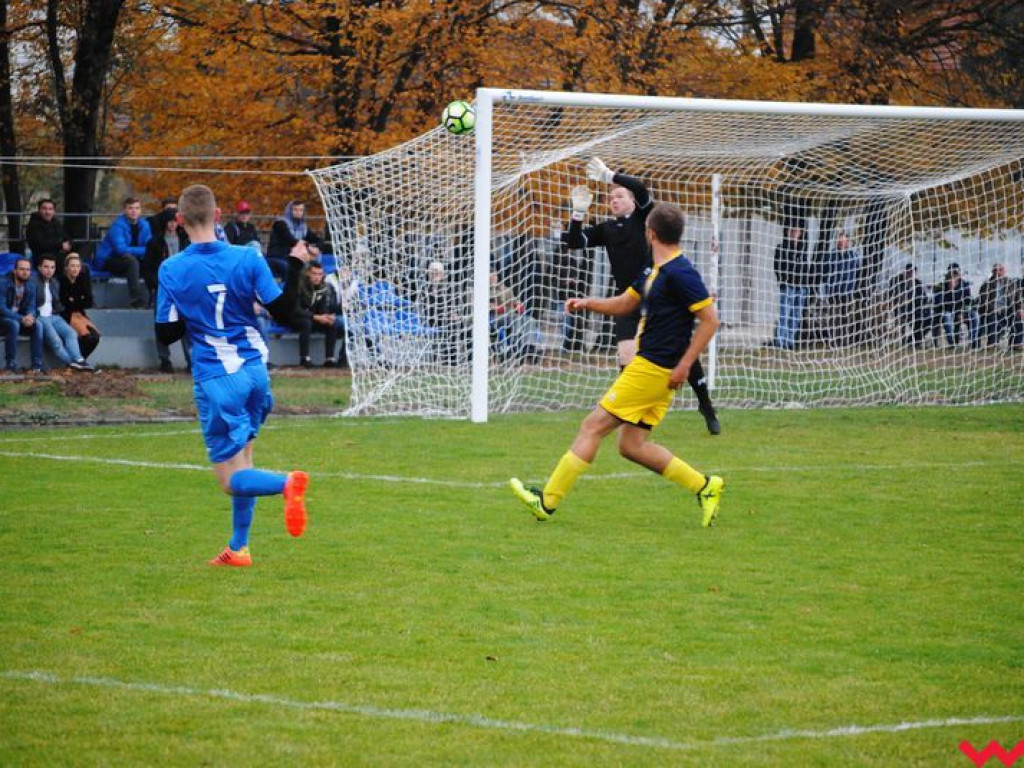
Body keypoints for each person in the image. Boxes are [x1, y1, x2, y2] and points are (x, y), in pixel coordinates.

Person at [509, 203, 725, 527]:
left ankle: (547, 501)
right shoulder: (654, 270)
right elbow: (625, 303)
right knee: (631, 446)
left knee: (592, 426)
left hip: (652, 369)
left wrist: (685, 365)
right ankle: (704, 486)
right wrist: (588, 303)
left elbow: (710, 320)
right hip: (652, 369)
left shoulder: (681, 272)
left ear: (650, 233)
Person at [155, 184, 312, 567]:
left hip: (217, 379)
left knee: (230, 480)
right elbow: (287, 314)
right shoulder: (247, 256)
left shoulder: (172, 268)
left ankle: (287, 484)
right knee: (245, 462)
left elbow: (166, 334)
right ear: (219, 215)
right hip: (256, 372)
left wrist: (192, 311)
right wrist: (294, 266)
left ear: (179, 221)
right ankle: (238, 548)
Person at [565, 157, 721, 434]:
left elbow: (639, 187)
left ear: (633, 201)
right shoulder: (607, 229)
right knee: (626, 355)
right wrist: (577, 214)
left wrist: (609, 175)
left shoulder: (644, 220)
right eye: (611, 198)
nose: (614, 200)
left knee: (681, 351)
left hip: (657, 298)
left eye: (620, 196)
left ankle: (706, 406)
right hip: (627, 300)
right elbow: (574, 242)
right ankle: (628, 414)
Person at [144, 209, 191, 372]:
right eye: (169, 221)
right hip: (163, 288)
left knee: (187, 324)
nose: (172, 225)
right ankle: (165, 360)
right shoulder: (155, 242)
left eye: (174, 221)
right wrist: (155, 285)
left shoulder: (185, 241)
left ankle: (191, 360)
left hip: (183, 288)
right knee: (163, 324)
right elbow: (148, 268)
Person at [32, 255, 95, 371]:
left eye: (52, 267)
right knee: (56, 341)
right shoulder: (33, 282)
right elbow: (29, 303)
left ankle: (79, 360)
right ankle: (73, 363)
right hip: (40, 317)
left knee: (71, 333)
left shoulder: (54, 282)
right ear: (39, 268)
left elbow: (60, 304)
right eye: (46, 267)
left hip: (54, 316)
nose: (49, 270)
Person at [94, 196, 151, 308]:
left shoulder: (145, 225)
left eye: (137, 208)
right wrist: (143, 251)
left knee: (153, 262)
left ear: (140, 210)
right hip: (109, 259)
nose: (134, 211)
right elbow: (121, 250)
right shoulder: (117, 226)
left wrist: (144, 251)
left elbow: (150, 247)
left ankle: (155, 297)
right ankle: (136, 299)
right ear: (125, 210)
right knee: (132, 262)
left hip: (132, 258)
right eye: (130, 208)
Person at [292, 260, 345, 368]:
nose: (317, 277)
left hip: (312, 318)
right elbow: (295, 309)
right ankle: (304, 358)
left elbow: (322, 308)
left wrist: (327, 316)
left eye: (320, 274)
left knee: (331, 323)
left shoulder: (323, 287)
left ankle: (329, 359)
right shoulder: (298, 286)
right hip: (294, 318)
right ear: (308, 273)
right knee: (306, 323)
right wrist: (316, 317)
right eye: (314, 274)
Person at [1, 258, 44, 372]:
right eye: (22, 269)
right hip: (3, 320)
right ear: (14, 270)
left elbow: (31, 306)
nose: (25, 272)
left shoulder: (31, 286)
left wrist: (30, 317)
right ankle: (10, 364)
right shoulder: (3, 283)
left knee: (38, 325)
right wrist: (21, 318)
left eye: (28, 270)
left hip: (20, 320)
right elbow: (2, 308)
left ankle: (37, 366)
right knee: (13, 324)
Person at [819, 231, 862, 346]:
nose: (842, 242)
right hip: (834, 292)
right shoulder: (830, 256)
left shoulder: (854, 256)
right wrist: (829, 284)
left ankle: (845, 340)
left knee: (846, 317)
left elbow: (858, 273)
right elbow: (824, 273)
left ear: (848, 241)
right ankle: (833, 340)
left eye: (844, 240)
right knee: (834, 317)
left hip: (848, 291)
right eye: (840, 239)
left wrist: (854, 287)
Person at [771, 225, 810, 350]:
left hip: (801, 286)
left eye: (796, 231)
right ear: (788, 232)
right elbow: (777, 266)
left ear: (800, 233)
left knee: (796, 315)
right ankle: (779, 341)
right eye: (792, 231)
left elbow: (805, 266)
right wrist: (782, 279)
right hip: (788, 285)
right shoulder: (782, 248)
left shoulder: (803, 249)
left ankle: (790, 341)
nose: (794, 233)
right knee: (784, 314)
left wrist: (806, 282)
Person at [58, 254, 101, 360]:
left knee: (95, 336)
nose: (75, 269)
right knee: (87, 337)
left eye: (78, 266)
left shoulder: (81, 281)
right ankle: (76, 360)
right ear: (66, 268)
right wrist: (79, 300)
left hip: (79, 314)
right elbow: (65, 303)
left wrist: (74, 300)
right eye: (72, 266)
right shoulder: (61, 281)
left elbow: (88, 302)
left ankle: (81, 360)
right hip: (66, 314)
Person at [489, 271, 537, 363]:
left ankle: (528, 348)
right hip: (495, 318)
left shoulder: (505, 289)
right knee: (515, 319)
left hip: (510, 315)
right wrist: (495, 308)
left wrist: (518, 304)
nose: (494, 277)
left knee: (530, 320)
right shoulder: (483, 290)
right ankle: (517, 346)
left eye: (495, 275)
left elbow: (515, 301)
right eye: (491, 275)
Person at [267, 200, 322, 280]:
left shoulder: (303, 226)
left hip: (294, 258)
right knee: (299, 268)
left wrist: (317, 248)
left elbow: (317, 240)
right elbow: (290, 240)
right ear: (290, 210)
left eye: (301, 210)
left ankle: (314, 275)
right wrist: (308, 246)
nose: (298, 212)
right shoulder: (280, 223)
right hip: (279, 257)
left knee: (316, 254)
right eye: (295, 210)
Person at [933, 262, 979, 348]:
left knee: (975, 315)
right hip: (948, 311)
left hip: (961, 312)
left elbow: (969, 301)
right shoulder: (941, 286)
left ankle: (973, 342)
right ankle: (952, 343)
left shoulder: (965, 285)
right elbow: (939, 303)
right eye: (951, 273)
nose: (953, 275)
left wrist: (961, 312)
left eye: (955, 273)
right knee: (946, 316)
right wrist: (950, 290)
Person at [887, 263, 932, 348]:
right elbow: (893, 296)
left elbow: (924, 299)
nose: (911, 274)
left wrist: (915, 301)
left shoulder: (917, 283)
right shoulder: (896, 281)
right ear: (905, 272)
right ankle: (912, 341)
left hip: (915, 310)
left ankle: (912, 340)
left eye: (913, 272)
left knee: (929, 319)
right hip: (900, 309)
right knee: (914, 317)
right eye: (909, 272)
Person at [977, 263, 1018, 348]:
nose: (998, 272)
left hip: (1008, 309)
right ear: (992, 272)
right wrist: (994, 309)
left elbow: (1018, 298)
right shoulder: (986, 285)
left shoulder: (1010, 283)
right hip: (992, 310)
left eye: (1000, 270)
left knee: (1018, 316)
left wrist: (1020, 309)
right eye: (995, 270)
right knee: (992, 317)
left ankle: (1016, 343)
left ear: (1004, 271)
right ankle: (992, 344)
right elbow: (984, 301)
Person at [26, 199, 74, 270]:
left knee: (79, 264)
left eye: (50, 209)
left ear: (54, 211)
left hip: (59, 255)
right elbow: (40, 244)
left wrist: (69, 243)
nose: (48, 212)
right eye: (44, 209)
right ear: (39, 210)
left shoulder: (56, 222)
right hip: (43, 258)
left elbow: (65, 236)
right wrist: (61, 245)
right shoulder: (34, 225)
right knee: (71, 267)